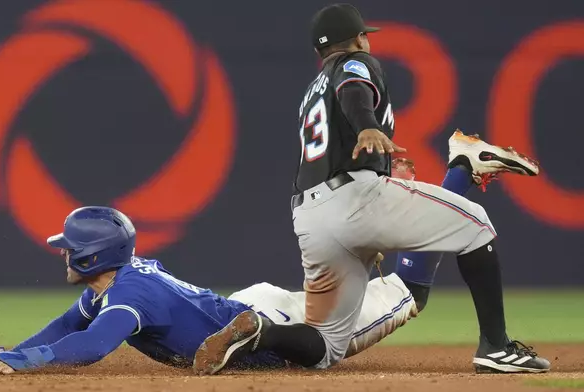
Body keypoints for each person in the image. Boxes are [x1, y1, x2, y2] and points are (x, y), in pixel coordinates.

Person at [191, 3, 550, 376]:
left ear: (318, 50)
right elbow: (354, 87)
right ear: (358, 39)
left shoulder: (311, 91)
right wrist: (365, 125)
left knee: (327, 345)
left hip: (311, 217)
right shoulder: (352, 62)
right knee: (476, 224)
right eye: (364, 36)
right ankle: (496, 346)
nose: (366, 42)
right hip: (356, 198)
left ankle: (263, 334)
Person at [0, 206, 417, 375]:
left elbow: (92, 344)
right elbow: (70, 323)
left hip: (277, 324)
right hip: (245, 308)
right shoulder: (115, 281)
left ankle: (459, 174)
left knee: (410, 294)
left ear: (93, 257)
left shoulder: (129, 297)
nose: (63, 254)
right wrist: (13, 354)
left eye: (70, 248)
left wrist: (25, 362)